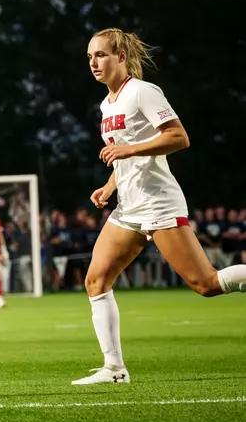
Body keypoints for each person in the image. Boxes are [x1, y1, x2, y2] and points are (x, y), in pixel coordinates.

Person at [75, 27, 246, 385]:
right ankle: (114, 369)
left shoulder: (143, 92)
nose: (94, 62)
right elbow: (126, 158)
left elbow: (178, 137)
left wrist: (127, 150)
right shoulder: (107, 105)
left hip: (158, 203)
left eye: (101, 54)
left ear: (121, 57)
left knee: (207, 284)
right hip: (128, 208)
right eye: (90, 56)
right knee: (96, 279)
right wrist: (108, 186)